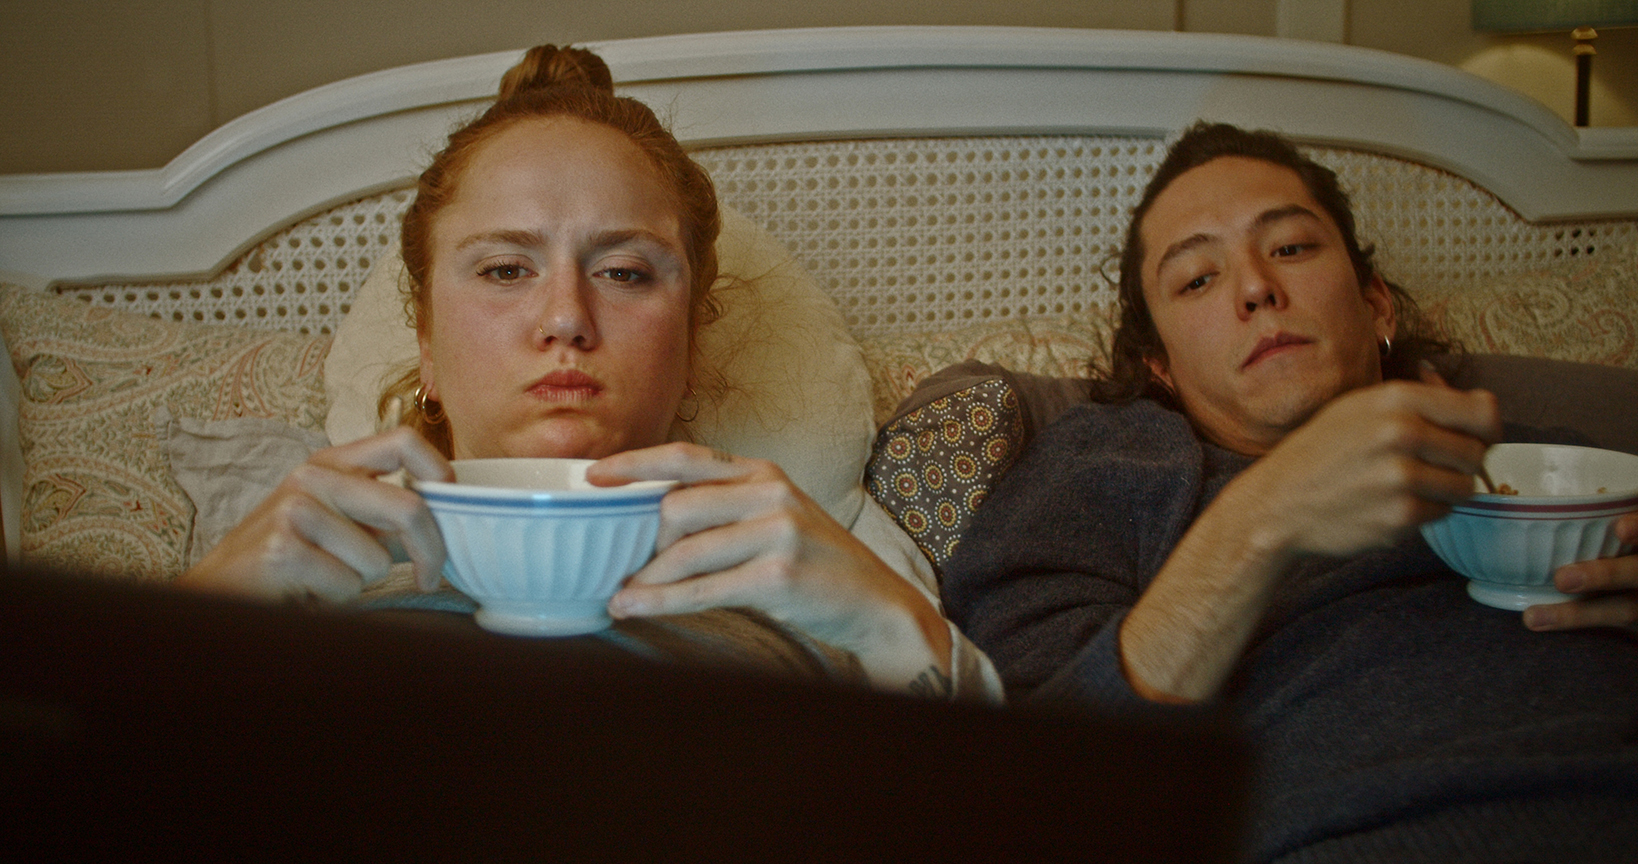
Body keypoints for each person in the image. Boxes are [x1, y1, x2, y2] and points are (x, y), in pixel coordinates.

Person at [179, 44, 998, 701]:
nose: (567, 316)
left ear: (690, 347)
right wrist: (194, 623)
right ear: (425, 343)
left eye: (625, 272)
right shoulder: (282, 620)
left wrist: (893, 628)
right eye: (506, 269)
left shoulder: (815, 618)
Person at [941, 122, 1638, 860]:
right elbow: (1040, 782)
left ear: (1376, 305)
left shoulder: (1548, 463)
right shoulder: (1097, 471)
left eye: (1292, 248)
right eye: (1198, 279)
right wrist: (1262, 520)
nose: (1256, 289)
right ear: (1161, 367)